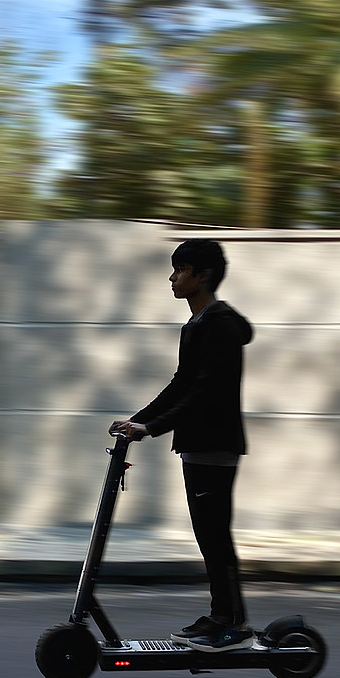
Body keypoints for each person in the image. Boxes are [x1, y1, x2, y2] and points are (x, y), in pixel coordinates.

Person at [110, 239, 259, 652]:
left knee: (214, 535)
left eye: (181, 270)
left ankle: (235, 624)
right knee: (207, 535)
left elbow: (205, 393)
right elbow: (181, 384)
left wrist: (150, 428)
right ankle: (221, 616)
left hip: (215, 441)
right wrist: (138, 421)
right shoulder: (195, 326)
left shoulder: (221, 326)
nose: (172, 278)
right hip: (197, 442)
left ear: (202, 275)